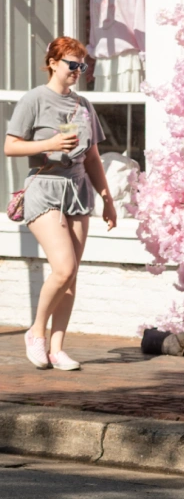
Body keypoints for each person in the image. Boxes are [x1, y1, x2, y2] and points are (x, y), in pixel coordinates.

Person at [4, 36, 117, 371]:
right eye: (72, 64)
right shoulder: (34, 100)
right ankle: (35, 332)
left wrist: (107, 199)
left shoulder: (83, 105)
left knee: (71, 276)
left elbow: (94, 157)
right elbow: (10, 146)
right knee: (63, 267)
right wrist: (49, 142)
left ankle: (56, 348)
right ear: (53, 62)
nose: (78, 71)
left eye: (82, 66)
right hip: (45, 186)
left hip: (78, 188)